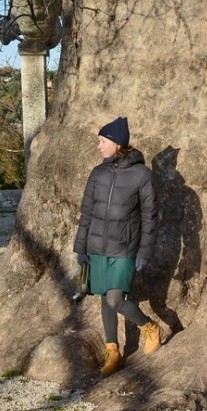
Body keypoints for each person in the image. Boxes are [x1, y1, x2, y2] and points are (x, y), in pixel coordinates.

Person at [73, 116, 161, 377]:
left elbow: (150, 216)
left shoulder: (142, 175)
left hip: (125, 247)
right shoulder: (97, 173)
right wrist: (81, 248)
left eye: (103, 141)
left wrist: (145, 251)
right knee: (105, 298)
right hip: (97, 247)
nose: (98, 146)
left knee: (114, 299)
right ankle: (113, 351)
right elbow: (87, 212)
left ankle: (149, 327)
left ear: (117, 143)